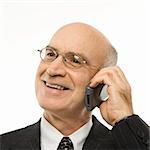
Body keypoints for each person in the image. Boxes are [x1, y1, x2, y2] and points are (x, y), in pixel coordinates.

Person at [0, 22, 149, 150]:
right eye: (51, 54)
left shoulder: (127, 145)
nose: (52, 70)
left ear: (101, 84)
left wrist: (126, 119)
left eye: (75, 60)